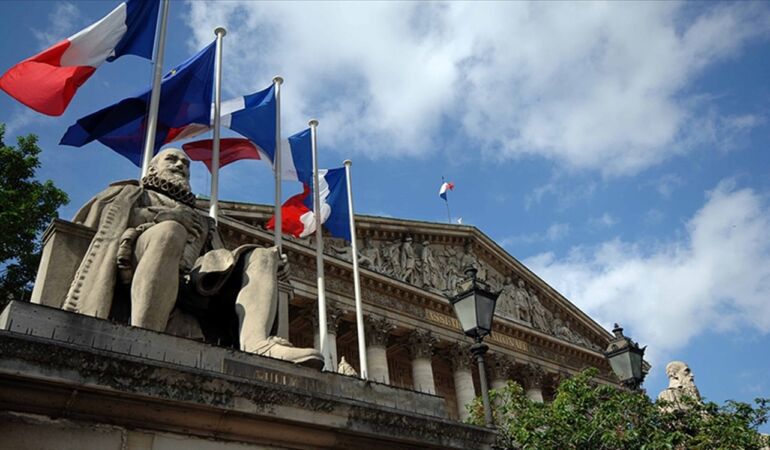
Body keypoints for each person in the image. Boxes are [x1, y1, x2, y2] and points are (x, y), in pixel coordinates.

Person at [62, 148, 322, 367]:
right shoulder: (133, 194)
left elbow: (219, 260)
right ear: (152, 169)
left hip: (194, 282)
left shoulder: (204, 221)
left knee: (263, 255)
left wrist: (271, 270)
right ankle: (145, 337)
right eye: (172, 160)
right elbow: (103, 222)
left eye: (185, 164)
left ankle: (257, 344)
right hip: (137, 261)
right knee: (169, 232)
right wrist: (165, 217)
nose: (180, 165)